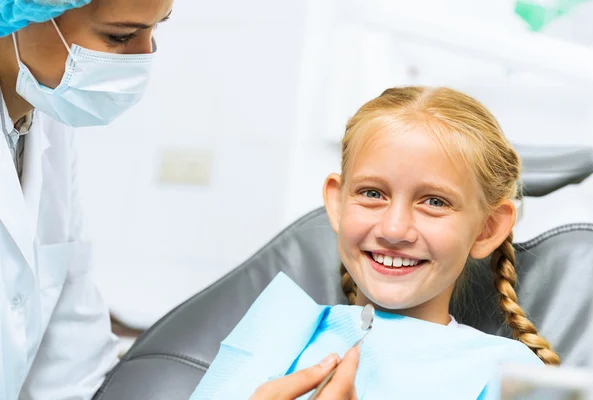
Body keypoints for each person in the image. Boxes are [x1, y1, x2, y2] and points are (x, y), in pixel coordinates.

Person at [192, 86, 560, 399]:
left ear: (486, 229)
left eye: (434, 202)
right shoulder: (278, 325)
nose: (394, 228)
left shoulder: (506, 373)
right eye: (372, 193)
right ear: (337, 203)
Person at [0, 0, 172, 398]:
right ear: (18, 16)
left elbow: (71, 361)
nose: (144, 59)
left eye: (155, 29)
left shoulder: (48, 129)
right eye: (120, 36)